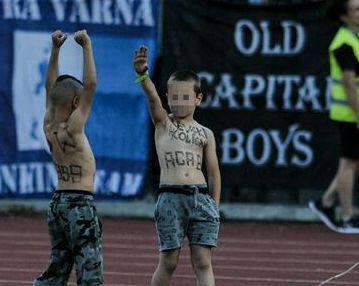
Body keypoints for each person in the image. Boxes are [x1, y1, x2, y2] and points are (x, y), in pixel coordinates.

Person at [133, 46, 221, 286]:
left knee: (203, 260)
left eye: (185, 97)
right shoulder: (164, 124)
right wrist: (143, 76)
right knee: (169, 261)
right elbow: (152, 99)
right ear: (168, 98)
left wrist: (215, 205)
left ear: (198, 99)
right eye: (174, 97)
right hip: (171, 198)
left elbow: (213, 172)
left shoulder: (206, 133)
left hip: (200, 198)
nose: (179, 103)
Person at [33, 30, 103, 285]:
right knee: (90, 270)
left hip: (58, 203)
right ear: (76, 102)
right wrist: (87, 46)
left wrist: (55, 49)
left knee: (58, 267)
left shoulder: (49, 124)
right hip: (80, 204)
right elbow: (92, 85)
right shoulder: (73, 128)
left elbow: (50, 88)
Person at [309, 0, 359, 234]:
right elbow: (349, 85)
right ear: (344, 17)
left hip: (352, 112)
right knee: (349, 162)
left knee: (351, 161)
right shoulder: (344, 43)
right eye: (357, 9)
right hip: (349, 113)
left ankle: (326, 202)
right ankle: (347, 215)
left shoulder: (355, 39)